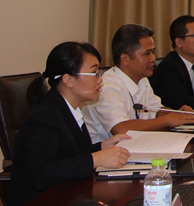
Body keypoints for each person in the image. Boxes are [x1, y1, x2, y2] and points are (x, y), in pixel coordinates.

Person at [9, 42, 131, 205]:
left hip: (68, 192)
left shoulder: (67, 109)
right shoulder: (45, 117)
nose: (100, 79)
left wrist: (102, 147)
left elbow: (68, 155)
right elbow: (41, 174)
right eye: (94, 73)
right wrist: (95, 159)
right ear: (68, 79)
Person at [83, 24, 194, 143]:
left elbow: (156, 111)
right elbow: (121, 129)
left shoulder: (142, 79)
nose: (153, 59)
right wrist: (167, 120)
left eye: (153, 52)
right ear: (125, 59)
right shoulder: (107, 86)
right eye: (147, 53)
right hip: (108, 152)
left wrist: (179, 114)